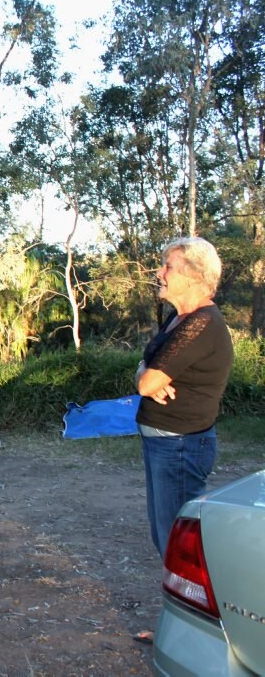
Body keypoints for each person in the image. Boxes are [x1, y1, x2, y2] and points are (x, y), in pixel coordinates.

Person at [134, 236, 233, 558]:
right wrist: (144, 373)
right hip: (164, 441)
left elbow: (148, 383)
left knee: (179, 543)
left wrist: (146, 376)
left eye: (168, 267)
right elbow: (144, 370)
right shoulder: (178, 319)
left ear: (194, 276)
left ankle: (195, 607)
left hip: (180, 445)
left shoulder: (202, 323)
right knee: (166, 534)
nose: (160, 273)